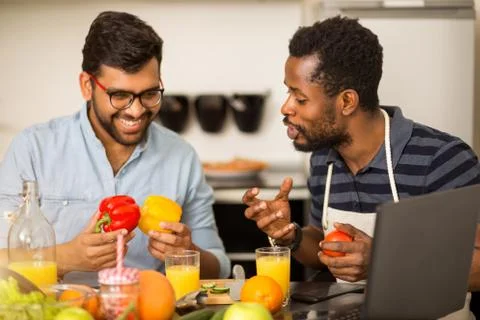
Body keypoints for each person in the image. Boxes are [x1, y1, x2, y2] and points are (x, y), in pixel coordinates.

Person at [242, 16, 480, 317]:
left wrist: (383, 263)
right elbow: (324, 252)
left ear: (347, 101)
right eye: (289, 93)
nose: (286, 107)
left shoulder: (442, 159)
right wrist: (293, 236)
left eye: (300, 98)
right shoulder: (323, 160)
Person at [0, 11, 230, 284]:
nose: (136, 111)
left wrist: (188, 253)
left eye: (149, 94)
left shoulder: (181, 157)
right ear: (87, 86)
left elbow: (219, 267)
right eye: (120, 95)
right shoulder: (33, 149)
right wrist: (67, 257)